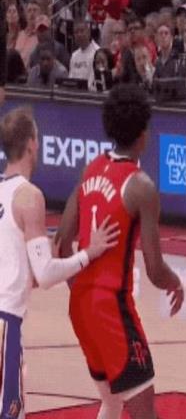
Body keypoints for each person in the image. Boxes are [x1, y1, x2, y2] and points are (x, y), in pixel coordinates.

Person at [56, 84, 184, 419]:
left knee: (112, 402)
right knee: (145, 414)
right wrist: (176, 283)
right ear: (143, 134)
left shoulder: (90, 169)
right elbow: (155, 270)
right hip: (111, 306)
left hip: (80, 305)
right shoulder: (141, 186)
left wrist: (81, 286)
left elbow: (62, 240)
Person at [0, 106, 118, 419]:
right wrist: (88, 253)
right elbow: (47, 274)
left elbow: (20, 267)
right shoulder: (29, 196)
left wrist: (28, 274)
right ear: (31, 144)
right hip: (4, 321)